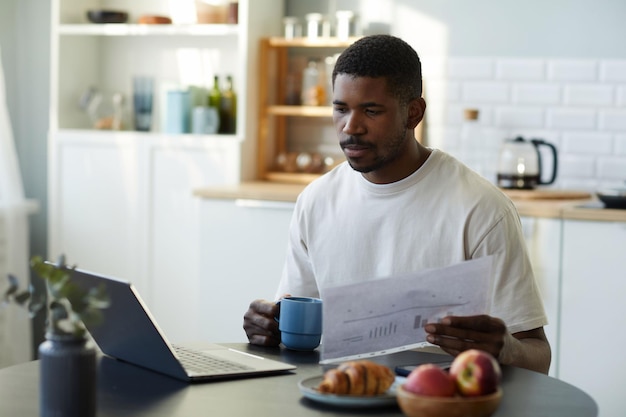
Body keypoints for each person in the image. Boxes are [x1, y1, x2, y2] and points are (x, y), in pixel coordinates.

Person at [243, 34, 551, 374]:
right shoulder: (316, 201)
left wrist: (506, 348)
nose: (351, 127)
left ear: (413, 113)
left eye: (371, 111)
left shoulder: (481, 209)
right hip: (337, 397)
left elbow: (538, 356)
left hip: (438, 404)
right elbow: (296, 334)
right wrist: (268, 328)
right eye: (341, 109)